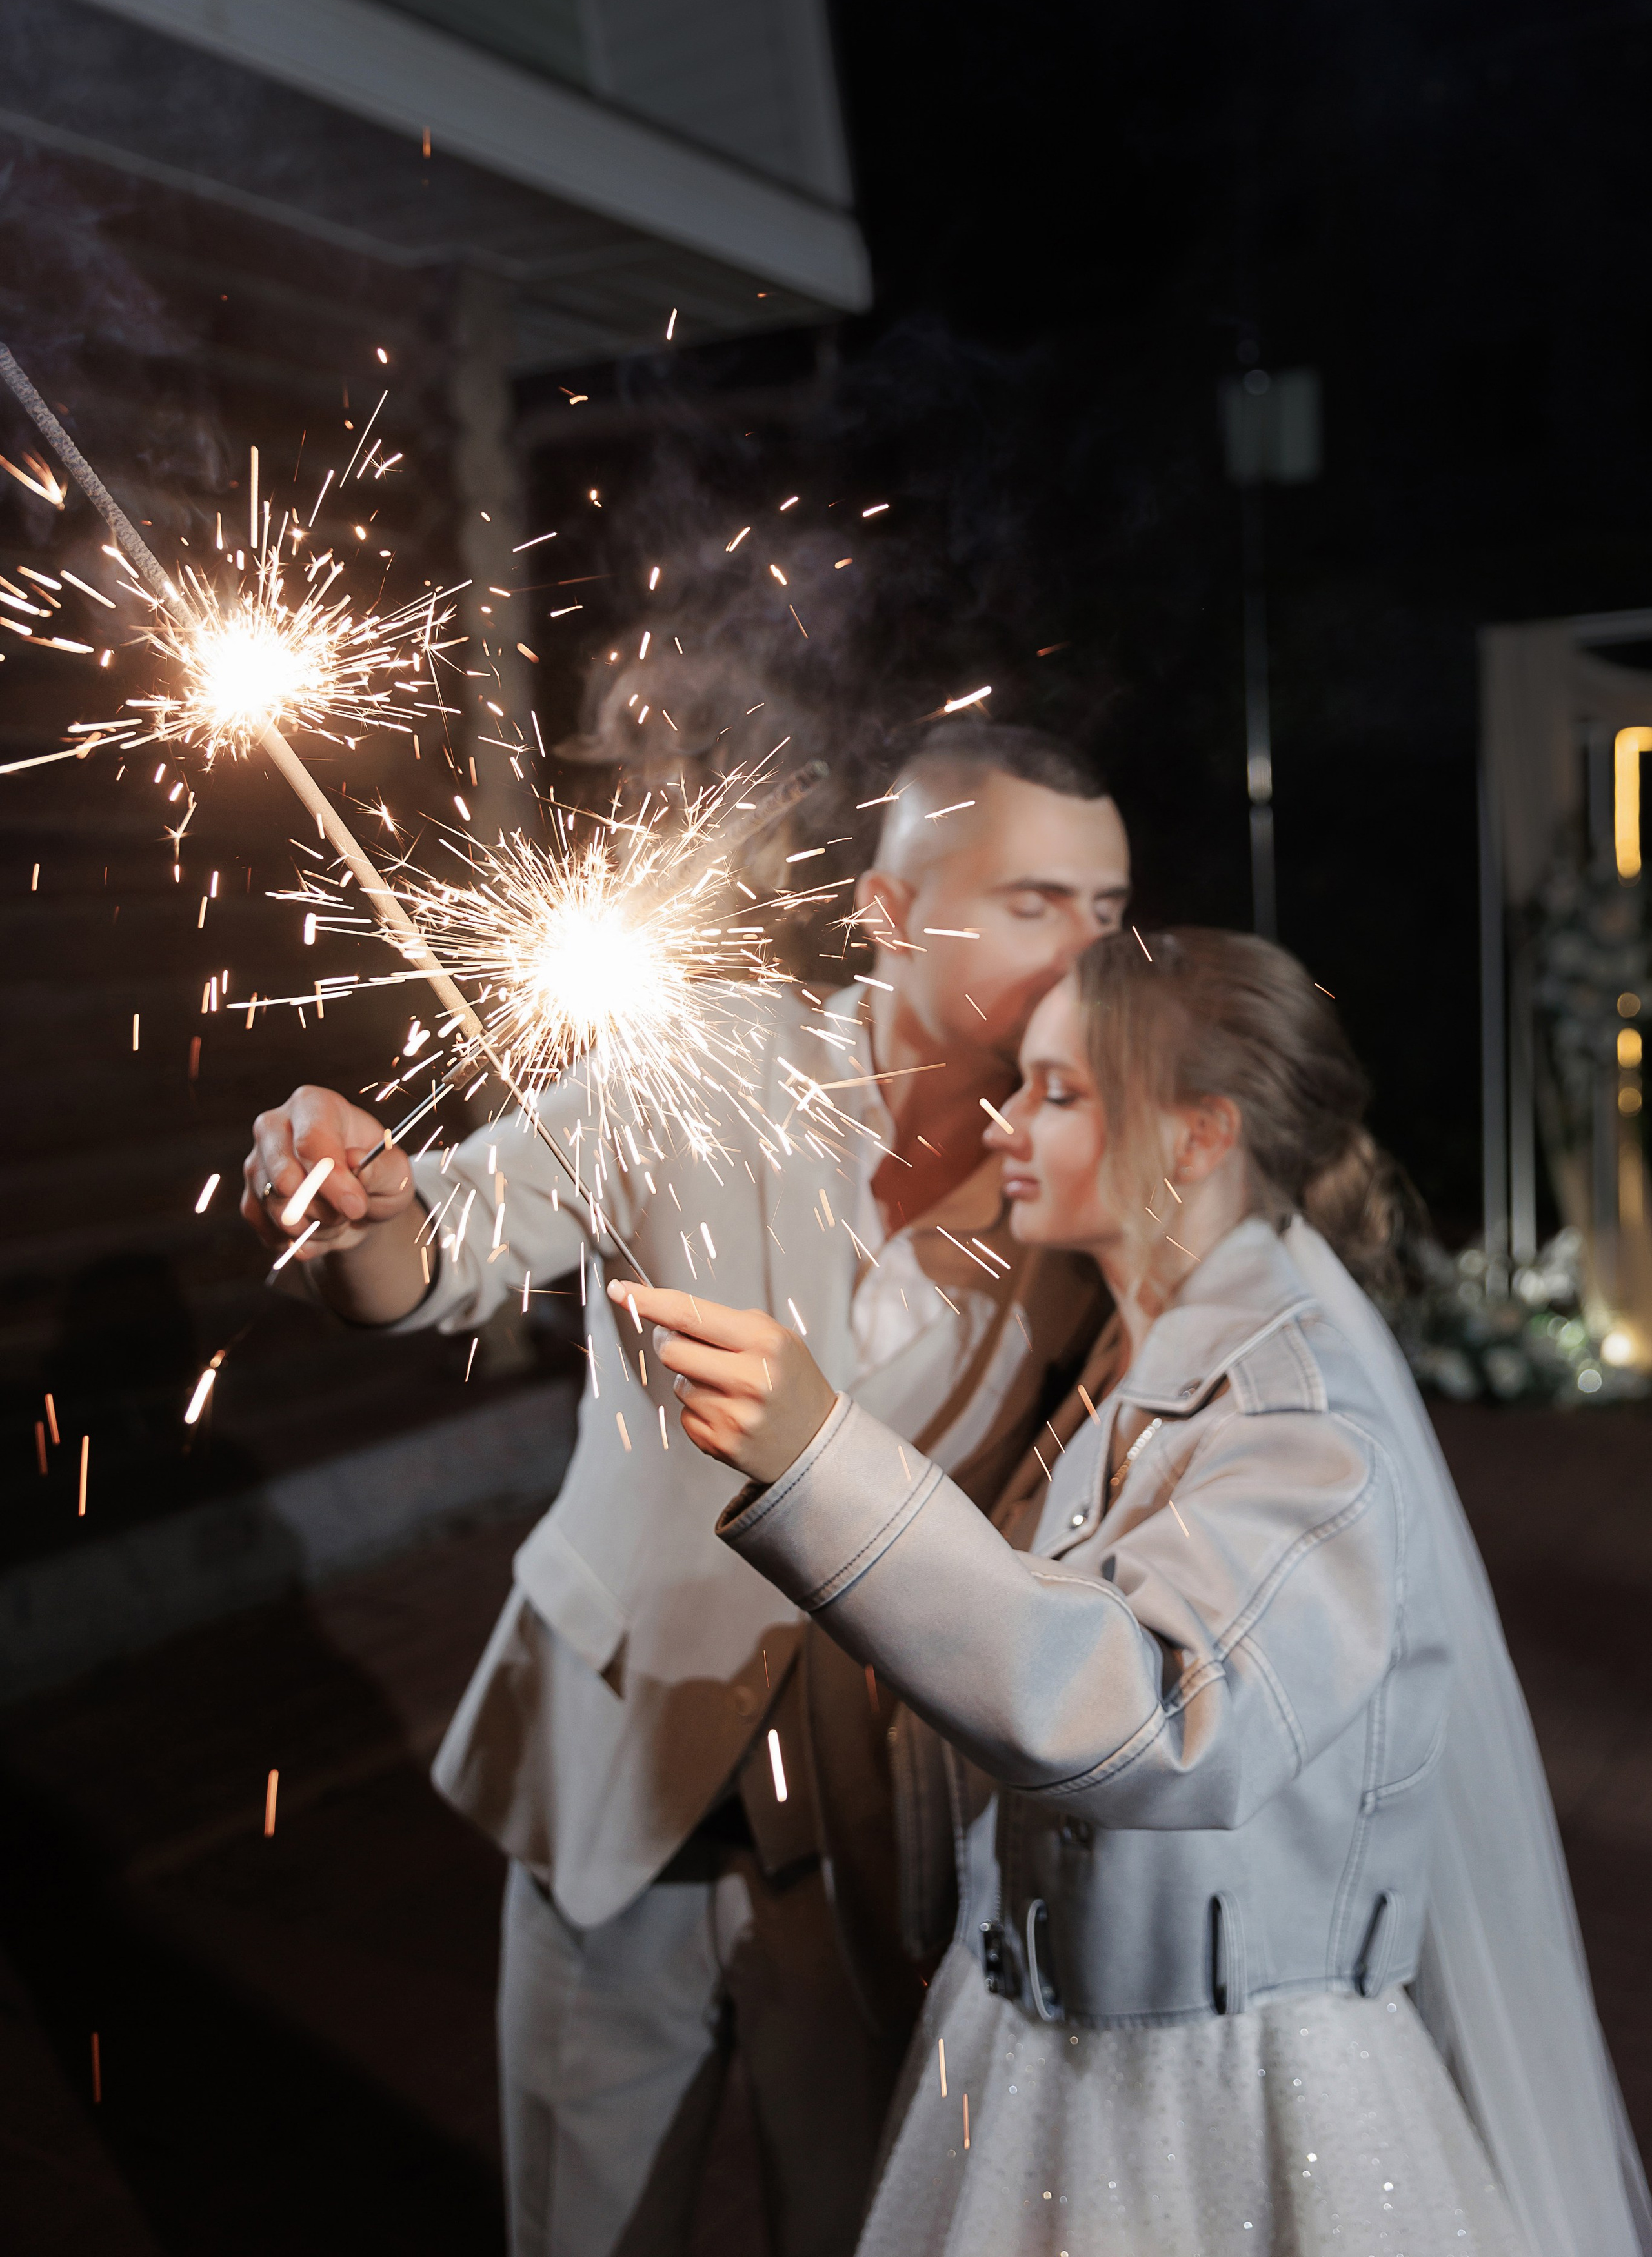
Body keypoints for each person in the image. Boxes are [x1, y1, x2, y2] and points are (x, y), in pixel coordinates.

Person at [614, 927, 1652, 2257]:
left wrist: (823, 1465)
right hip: (1050, 2039)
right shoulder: (1121, 1347)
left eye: (1058, 1092)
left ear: (1198, 1135)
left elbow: (1164, 1713)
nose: (1007, 1121)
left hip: (1221, 2106)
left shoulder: (1301, 1420)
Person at [241, 723, 1132, 2257]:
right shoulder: (706, 1058)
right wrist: (355, 1211)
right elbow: (439, 1248)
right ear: (886, 908)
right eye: (1034, 901)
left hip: (872, 1849)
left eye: (1108, 911)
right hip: (615, 1776)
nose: (1084, 949)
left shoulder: (1084, 1188)